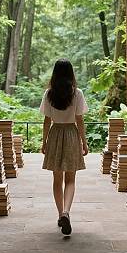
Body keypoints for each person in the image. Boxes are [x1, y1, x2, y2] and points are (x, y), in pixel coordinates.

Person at [40, 59, 89, 235]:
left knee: (56, 179)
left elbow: (46, 121)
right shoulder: (77, 93)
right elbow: (80, 120)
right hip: (71, 134)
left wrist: (44, 141)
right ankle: (67, 212)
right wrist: (84, 142)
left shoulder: (49, 94)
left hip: (55, 134)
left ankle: (60, 213)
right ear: (71, 74)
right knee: (70, 179)